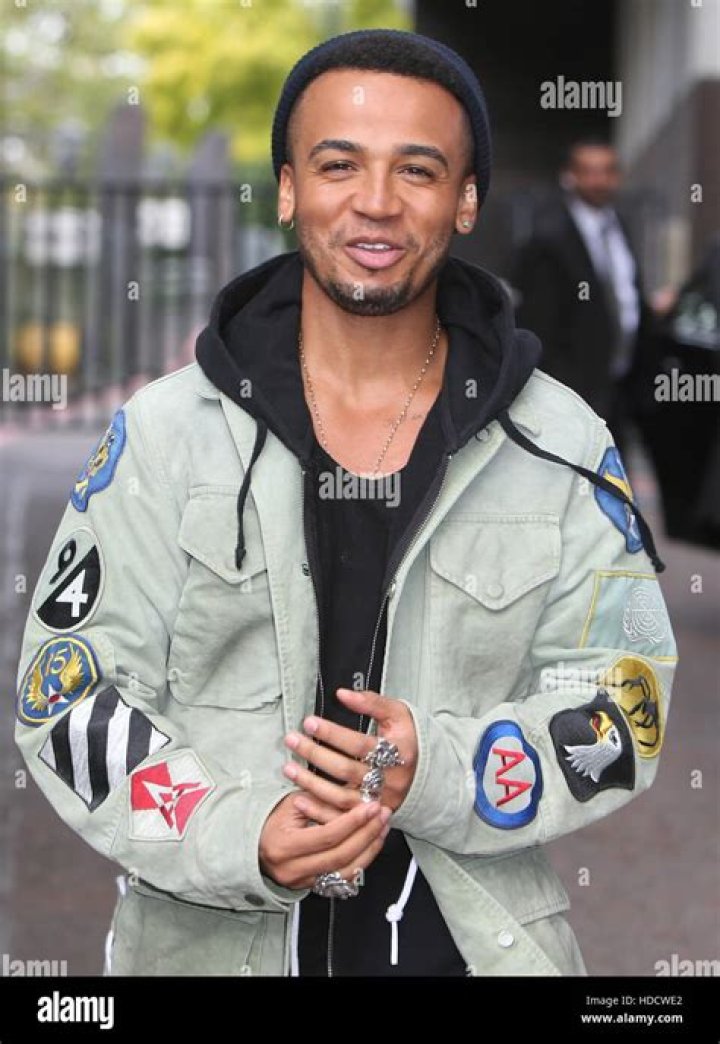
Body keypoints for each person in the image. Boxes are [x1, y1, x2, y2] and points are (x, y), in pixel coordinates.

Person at [15, 29, 677, 978]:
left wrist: (439, 770)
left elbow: (625, 696)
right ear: (288, 190)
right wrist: (235, 832)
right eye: (339, 165)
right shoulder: (163, 436)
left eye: (418, 169)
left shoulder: (563, 441)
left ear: (465, 200)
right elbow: (69, 692)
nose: (376, 201)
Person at [513, 138, 653, 452]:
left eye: (607, 171)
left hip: (620, 384)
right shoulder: (549, 236)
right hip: (572, 390)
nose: (599, 181)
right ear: (570, 176)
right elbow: (538, 323)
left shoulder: (619, 226)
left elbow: (625, 293)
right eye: (589, 171)